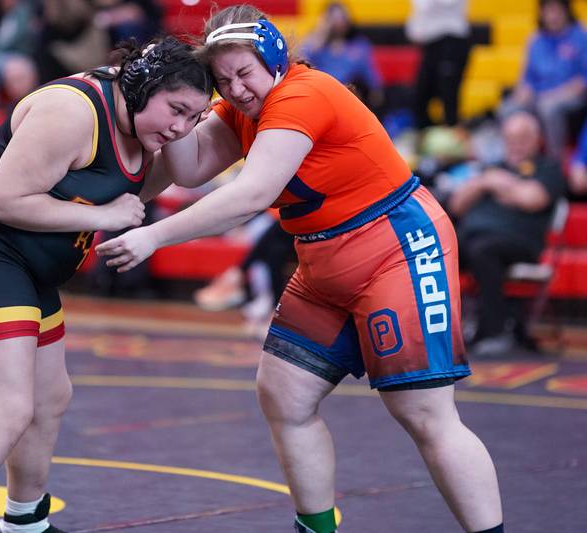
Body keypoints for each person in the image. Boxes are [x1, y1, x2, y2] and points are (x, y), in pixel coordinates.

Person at [96, 6, 504, 533]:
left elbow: (252, 194)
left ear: (273, 57)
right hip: (324, 259)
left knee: (424, 414)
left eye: (244, 73)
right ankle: (316, 527)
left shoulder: (301, 95)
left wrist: (153, 235)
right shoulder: (244, 108)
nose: (237, 89)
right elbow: (192, 166)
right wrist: (175, 112)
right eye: (222, 80)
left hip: (397, 249)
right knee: (284, 393)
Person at [0, 36, 213, 533]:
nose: (181, 128)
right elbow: (3, 201)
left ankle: (25, 522)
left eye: (195, 119)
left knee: (50, 397)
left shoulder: (143, 131)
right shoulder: (71, 111)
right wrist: (105, 214)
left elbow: (137, 186)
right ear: (144, 85)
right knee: (5, 410)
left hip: (29, 267)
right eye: (177, 110)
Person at [448, 110, 566, 356]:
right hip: (473, 237)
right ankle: (440, 330)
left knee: (484, 251)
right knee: (438, 246)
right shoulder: (490, 169)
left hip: (520, 243)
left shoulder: (548, 168)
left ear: (536, 139)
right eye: (511, 138)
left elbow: (533, 198)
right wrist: (485, 182)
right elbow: (456, 205)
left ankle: (495, 331)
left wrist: (500, 183)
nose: (516, 145)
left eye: (523, 138)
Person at [501, 0, 587, 158]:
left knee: (548, 107)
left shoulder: (581, 36)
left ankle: (554, 158)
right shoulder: (536, 40)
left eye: (556, 11)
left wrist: (556, 95)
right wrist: (522, 93)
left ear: (566, 11)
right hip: (539, 96)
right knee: (508, 108)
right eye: (549, 11)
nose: (553, 16)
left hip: (570, 96)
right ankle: (513, 159)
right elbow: (527, 79)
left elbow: (582, 80)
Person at [300, 1, 382, 110]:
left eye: (342, 17)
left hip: (351, 96)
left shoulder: (359, 45)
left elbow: (370, 75)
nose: (339, 22)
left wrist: (376, 91)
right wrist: (321, 32)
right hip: (321, 95)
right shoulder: (318, 45)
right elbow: (302, 58)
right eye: (334, 18)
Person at [406, 0, 470, 128]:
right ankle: (425, 133)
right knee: (422, 93)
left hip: (451, 40)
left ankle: (452, 131)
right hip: (430, 44)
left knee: (449, 92)